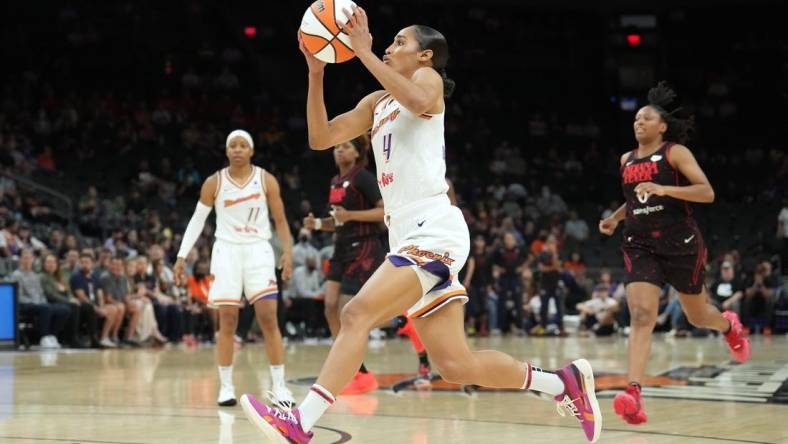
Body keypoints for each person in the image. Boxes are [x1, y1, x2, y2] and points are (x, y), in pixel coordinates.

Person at [240, 12, 602, 443]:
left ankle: (301, 423)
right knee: (456, 365)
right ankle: (562, 383)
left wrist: (362, 51)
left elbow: (415, 101)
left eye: (398, 42)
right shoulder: (376, 102)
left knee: (354, 313)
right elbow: (321, 137)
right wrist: (316, 72)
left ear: (424, 55)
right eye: (388, 43)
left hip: (434, 228)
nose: (389, 47)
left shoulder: (428, 80)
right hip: (406, 232)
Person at [598, 81, 751, 425]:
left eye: (646, 118)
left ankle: (728, 327)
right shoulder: (625, 159)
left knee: (698, 316)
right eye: (636, 118)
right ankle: (633, 394)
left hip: (680, 243)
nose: (639, 122)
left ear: (662, 125)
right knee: (640, 316)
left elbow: (706, 192)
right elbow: (635, 198)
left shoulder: (674, 152)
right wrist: (614, 218)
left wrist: (663, 187)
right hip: (639, 243)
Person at [173, 129, 295, 408]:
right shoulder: (213, 182)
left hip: (258, 251)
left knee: (268, 319)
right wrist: (182, 255)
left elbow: (281, 220)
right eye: (233, 145)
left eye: (243, 145)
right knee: (227, 321)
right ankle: (226, 387)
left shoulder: (266, 179)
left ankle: (279, 386)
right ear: (227, 151)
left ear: (251, 151)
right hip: (226, 252)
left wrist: (288, 252)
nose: (238, 149)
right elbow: (196, 220)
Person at [304, 135, 429, 394]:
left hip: (364, 247)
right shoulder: (334, 182)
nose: (339, 150)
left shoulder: (364, 178)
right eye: (336, 146)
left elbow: (383, 212)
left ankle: (392, 328)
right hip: (341, 247)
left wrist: (349, 215)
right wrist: (317, 224)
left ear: (358, 152)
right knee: (329, 308)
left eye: (345, 146)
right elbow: (336, 220)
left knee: (347, 311)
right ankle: (359, 368)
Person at [12, 250, 71, 349]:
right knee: (46, 308)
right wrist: (36, 303)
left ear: (33, 260)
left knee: (64, 310)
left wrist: (42, 302)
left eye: (29, 258)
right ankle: (43, 337)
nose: (27, 261)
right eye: (25, 258)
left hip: (40, 304)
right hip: (24, 305)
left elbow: (41, 293)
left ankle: (52, 336)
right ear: (21, 260)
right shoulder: (17, 275)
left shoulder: (35, 275)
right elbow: (19, 296)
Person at [70, 253, 121, 348]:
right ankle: (94, 338)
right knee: (92, 308)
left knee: (114, 309)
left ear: (92, 264)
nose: (84, 264)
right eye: (82, 262)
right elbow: (81, 296)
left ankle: (104, 337)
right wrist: (96, 308)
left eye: (87, 262)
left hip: (95, 304)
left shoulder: (95, 276)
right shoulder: (76, 277)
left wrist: (101, 306)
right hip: (84, 306)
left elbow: (100, 293)